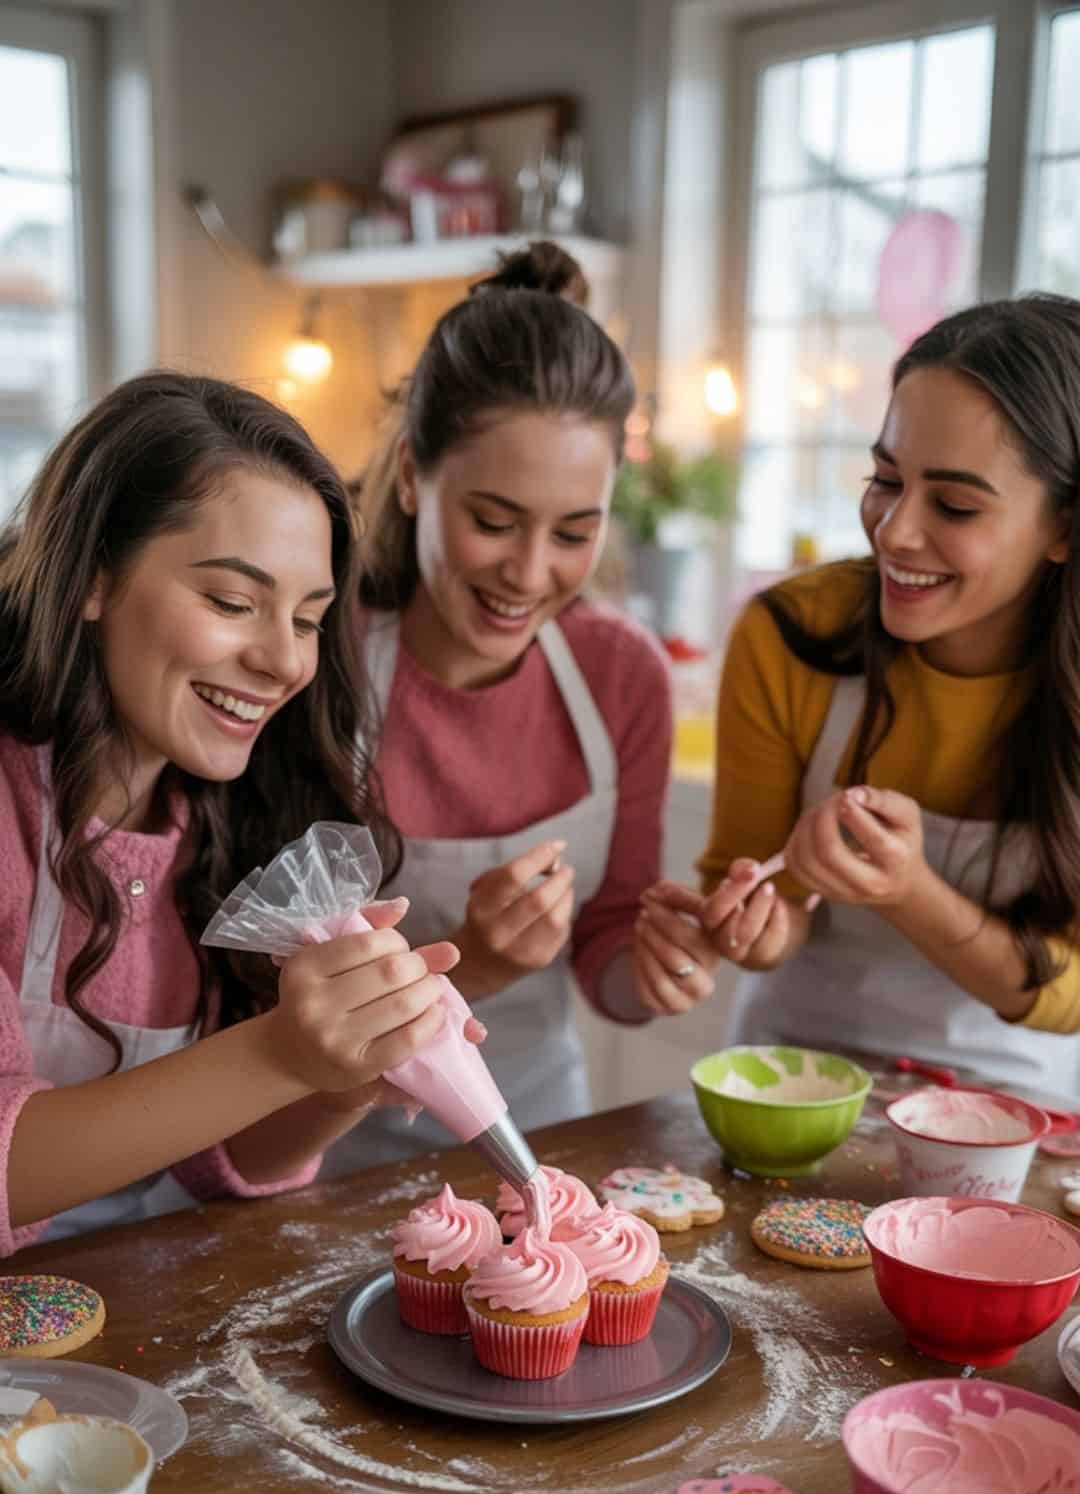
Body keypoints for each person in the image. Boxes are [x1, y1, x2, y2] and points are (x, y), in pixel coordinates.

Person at [0, 370, 471, 1253]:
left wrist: (340, 1078)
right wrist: (280, 1054)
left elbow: (211, 1156)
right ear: (93, 576)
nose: (285, 663)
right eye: (232, 602)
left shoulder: (229, 815)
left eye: (307, 618)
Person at [324, 242, 718, 1171]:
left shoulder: (622, 676)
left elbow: (609, 949)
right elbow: (257, 999)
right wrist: (474, 961)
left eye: (575, 531)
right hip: (319, 1157)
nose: (530, 573)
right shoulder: (320, 659)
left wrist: (657, 969)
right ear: (417, 476)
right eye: (493, 522)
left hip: (541, 1133)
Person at [640, 295, 1080, 1096]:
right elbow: (753, 898)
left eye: (954, 504)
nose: (895, 531)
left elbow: (1071, 991)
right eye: (885, 478)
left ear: (1064, 527)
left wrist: (910, 893)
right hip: (793, 1081)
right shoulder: (791, 633)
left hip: (1017, 1109)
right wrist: (757, 924)